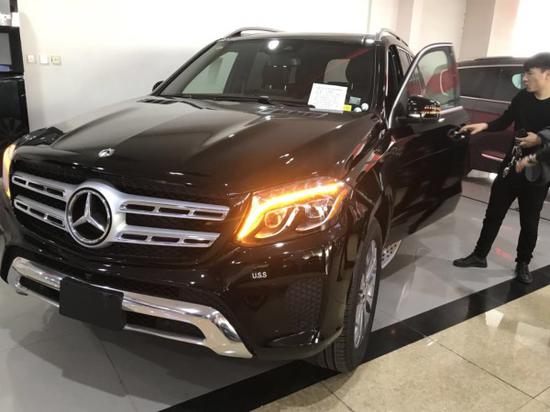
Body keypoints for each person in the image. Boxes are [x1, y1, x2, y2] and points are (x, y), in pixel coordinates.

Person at [453, 52, 550, 284]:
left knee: (529, 221)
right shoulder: (522, 98)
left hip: (537, 171)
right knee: (494, 212)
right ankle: (479, 255)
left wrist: (537, 143)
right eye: (524, 74)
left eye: (529, 74)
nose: (524, 78)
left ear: (547, 74)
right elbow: (504, 121)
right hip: (511, 166)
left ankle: (522, 263)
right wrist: (484, 126)